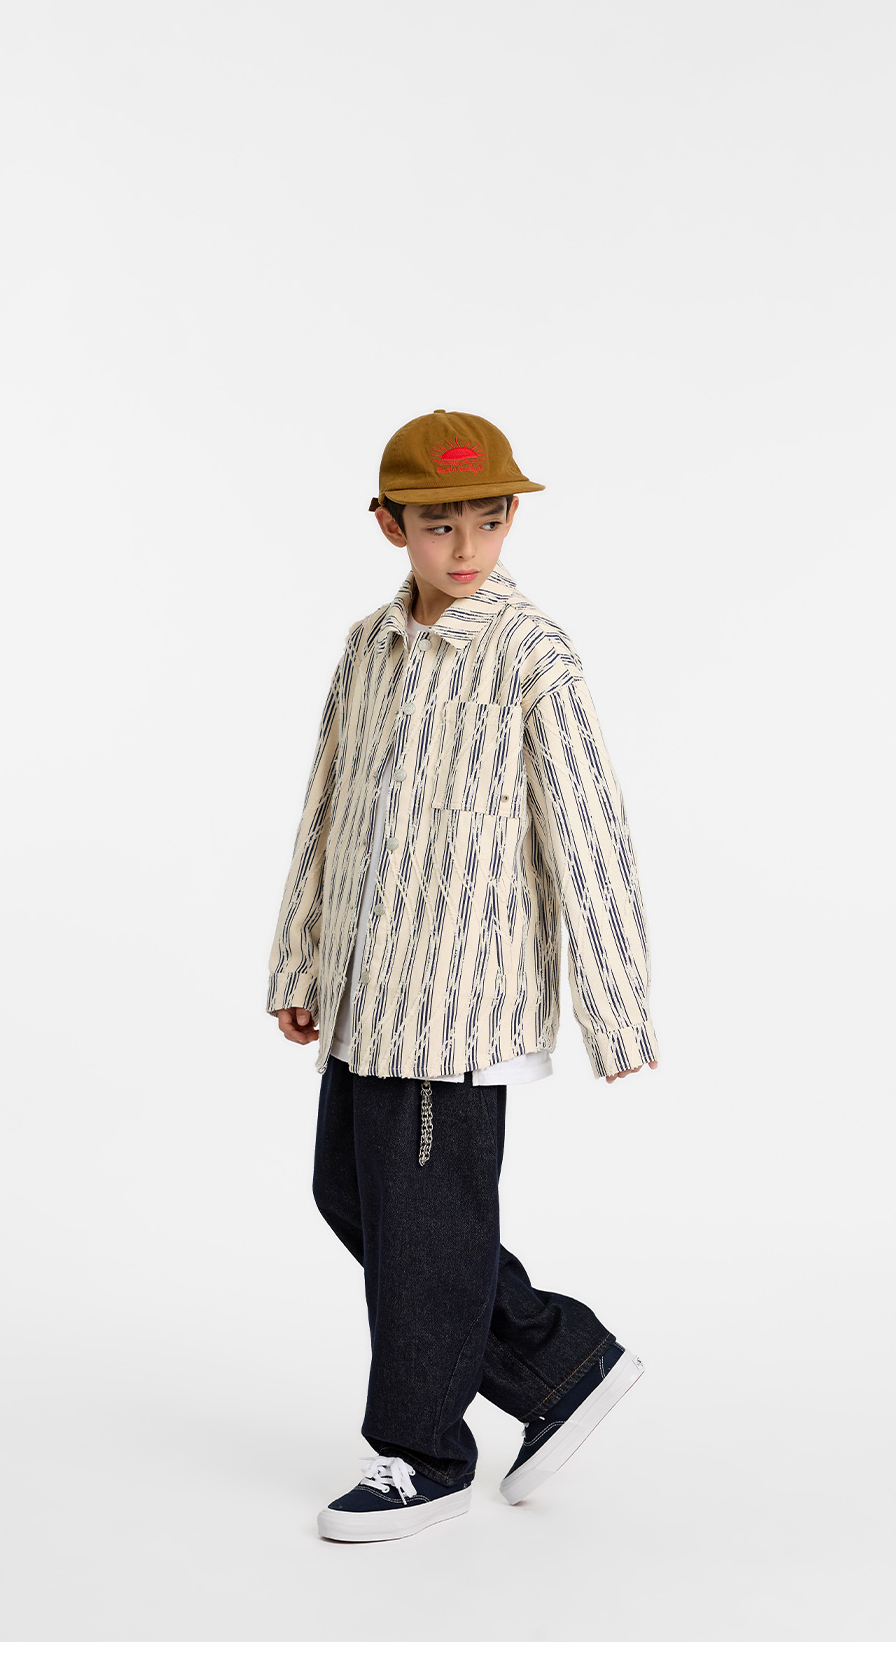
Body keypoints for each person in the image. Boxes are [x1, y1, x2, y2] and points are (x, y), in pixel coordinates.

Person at [266, 408, 660, 1542]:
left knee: (427, 1225)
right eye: (442, 525)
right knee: (354, 1196)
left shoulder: (531, 653)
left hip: (457, 1002)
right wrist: (301, 959)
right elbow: (326, 808)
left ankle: (423, 1451)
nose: (469, 546)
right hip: (364, 992)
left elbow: (589, 832)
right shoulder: (369, 646)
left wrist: (618, 1010)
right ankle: (559, 1361)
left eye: (490, 520)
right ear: (390, 525)